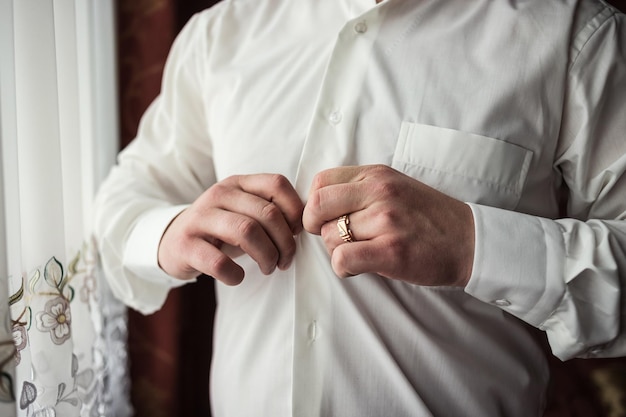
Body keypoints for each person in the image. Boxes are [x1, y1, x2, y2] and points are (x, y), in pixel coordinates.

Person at [94, 0, 626, 415]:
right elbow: (125, 200)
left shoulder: (575, 35)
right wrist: (170, 232)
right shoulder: (219, 35)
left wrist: (472, 244)